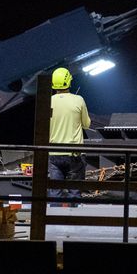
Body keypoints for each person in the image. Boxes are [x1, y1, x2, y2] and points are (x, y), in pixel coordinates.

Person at [47, 66, 90, 203]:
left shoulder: (49, 101)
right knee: (75, 193)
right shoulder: (78, 100)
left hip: (53, 154)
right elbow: (86, 124)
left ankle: (53, 222)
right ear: (69, 82)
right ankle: (74, 221)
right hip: (74, 154)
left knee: (55, 193)